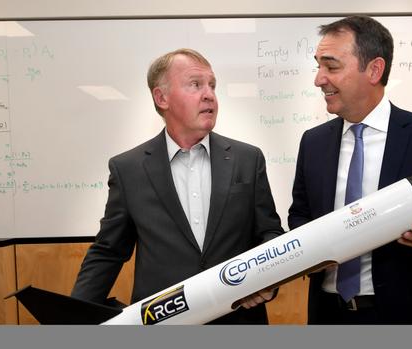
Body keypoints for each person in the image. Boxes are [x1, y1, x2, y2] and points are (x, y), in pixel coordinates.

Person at [288, 15, 412, 324]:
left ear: (374, 69)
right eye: (318, 66)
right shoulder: (313, 143)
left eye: (332, 66)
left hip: (404, 316)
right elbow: (300, 214)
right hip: (328, 315)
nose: (319, 79)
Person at [72, 48, 284, 324]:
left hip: (239, 318)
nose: (209, 94)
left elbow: (269, 233)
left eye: (212, 86)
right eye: (196, 85)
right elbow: (109, 251)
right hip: (163, 323)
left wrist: (266, 281)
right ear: (162, 98)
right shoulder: (128, 169)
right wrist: (73, 318)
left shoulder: (248, 158)